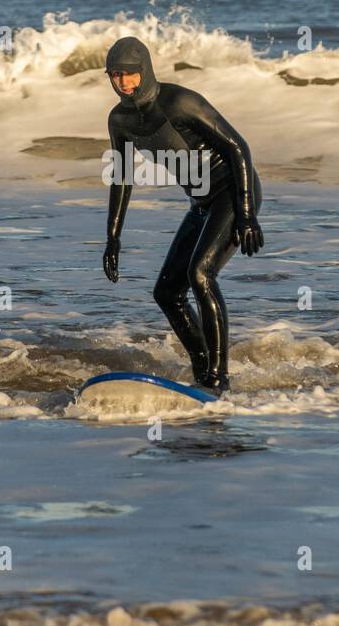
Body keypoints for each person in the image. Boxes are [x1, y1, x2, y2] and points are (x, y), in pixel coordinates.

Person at [102, 35, 263, 395]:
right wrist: (113, 238)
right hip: (202, 203)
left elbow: (238, 147)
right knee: (166, 292)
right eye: (116, 76)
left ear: (144, 70)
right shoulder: (121, 120)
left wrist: (247, 213)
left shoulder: (179, 102)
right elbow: (122, 177)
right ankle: (203, 368)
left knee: (200, 274)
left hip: (232, 191)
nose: (124, 82)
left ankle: (219, 380)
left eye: (130, 74)